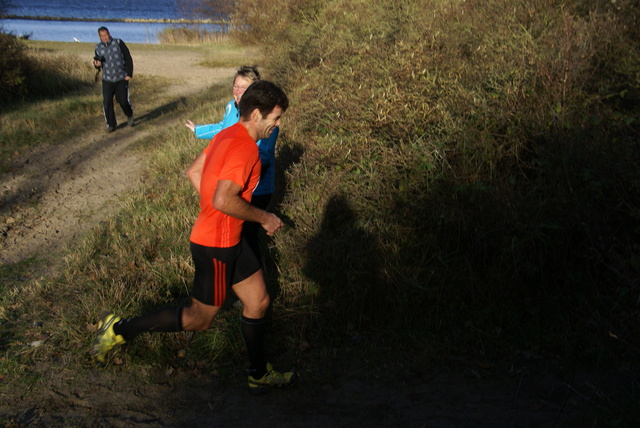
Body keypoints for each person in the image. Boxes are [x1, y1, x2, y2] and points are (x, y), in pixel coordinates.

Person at [91, 81, 297, 395]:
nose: (278, 125)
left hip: (231, 238)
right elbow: (223, 199)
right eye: (276, 118)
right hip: (216, 245)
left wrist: (218, 210)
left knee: (259, 302)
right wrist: (264, 216)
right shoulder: (246, 150)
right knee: (199, 318)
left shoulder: (226, 134)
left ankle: (258, 373)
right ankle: (118, 329)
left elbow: (193, 172)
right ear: (257, 114)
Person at [185, 65, 278, 260]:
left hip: (255, 189)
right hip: (227, 186)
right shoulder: (230, 108)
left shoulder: (266, 122)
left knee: (245, 239)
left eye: (243, 88)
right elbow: (221, 130)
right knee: (238, 240)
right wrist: (198, 130)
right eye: (235, 86)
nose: (237, 92)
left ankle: (247, 270)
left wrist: (230, 167)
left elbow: (264, 156)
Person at [93, 26, 134, 133]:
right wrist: (97, 65)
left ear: (109, 34)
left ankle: (129, 115)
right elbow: (98, 64)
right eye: (102, 36)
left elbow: (128, 58)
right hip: (107, 79)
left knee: (123, 101)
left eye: (106, 35)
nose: (104, 38)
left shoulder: (119, 43)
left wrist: (129, 74)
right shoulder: (98, 48)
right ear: (99, 37)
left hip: (121, 78)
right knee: (107, 102)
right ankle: (111, 124)